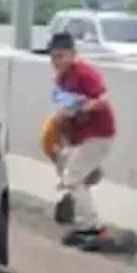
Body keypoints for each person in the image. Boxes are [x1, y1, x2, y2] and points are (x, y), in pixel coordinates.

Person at [47, 31, 117, 248]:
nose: (57, 62)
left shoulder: (85, 73)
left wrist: (82, 108)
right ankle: (87, 186)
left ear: (73, 54)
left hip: (98, 134)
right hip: (80, 136)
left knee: (72, 178)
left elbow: (104, 99)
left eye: (61, 56)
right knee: (67, 167)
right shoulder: (60, 80)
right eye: (53, 57)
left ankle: (92, 227)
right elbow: (64, 104)